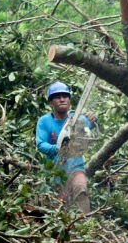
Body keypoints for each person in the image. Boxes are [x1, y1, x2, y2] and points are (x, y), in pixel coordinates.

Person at [35, 81, 97, 212]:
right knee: (59, 207)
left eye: (65, 96)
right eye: (57, 97)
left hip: (75, 168)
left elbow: (92, 133)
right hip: (55, 172)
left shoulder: (77, 118)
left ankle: (86, 223)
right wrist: (57, 148)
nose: (62, 99)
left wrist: (92, 119)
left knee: (81, 189)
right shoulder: (44, 121)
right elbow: (40, 144)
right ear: (51, 103)